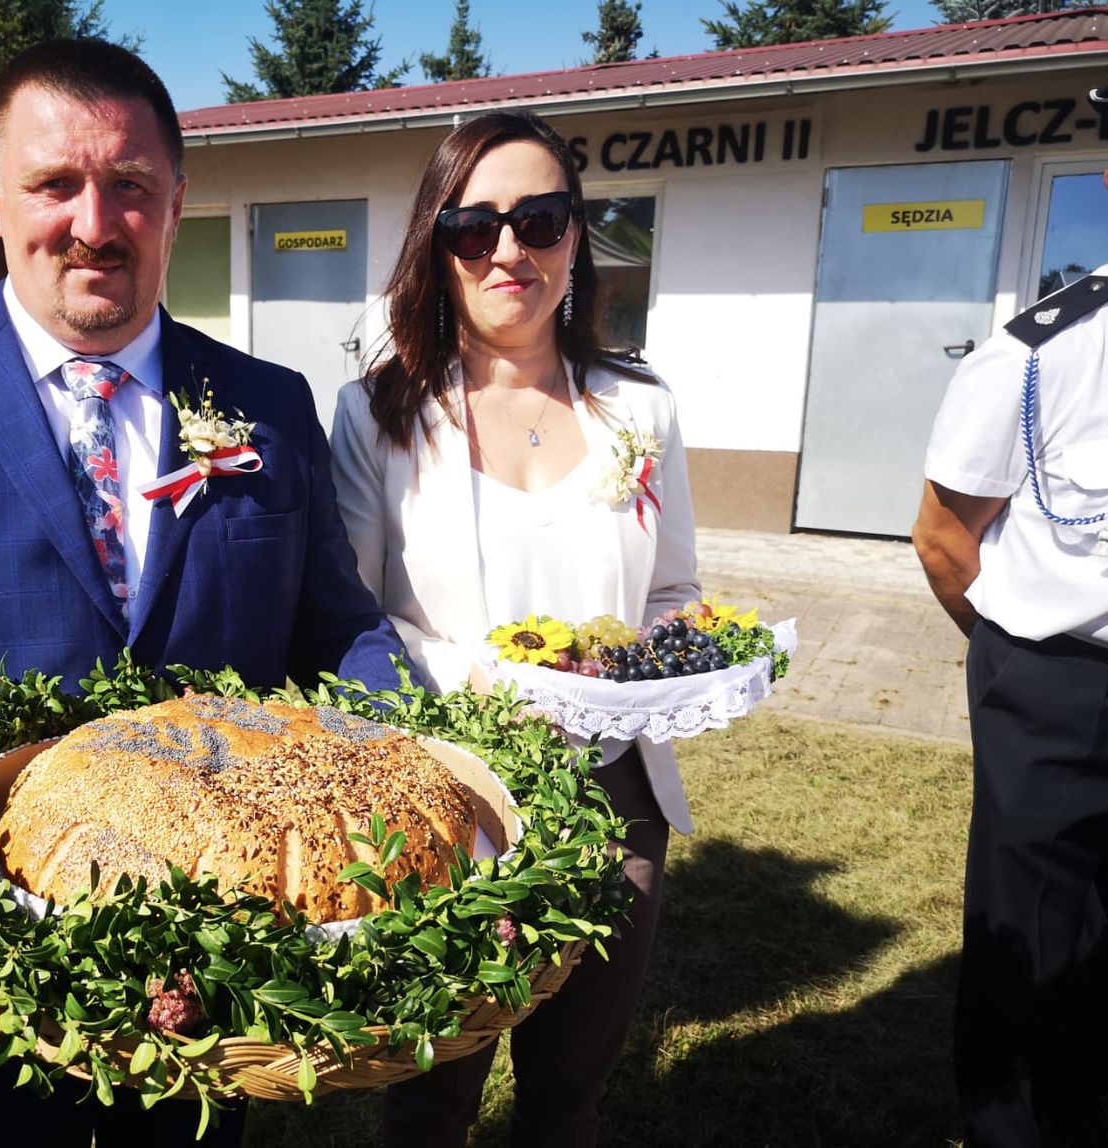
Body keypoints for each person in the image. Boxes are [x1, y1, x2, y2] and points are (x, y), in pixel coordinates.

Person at [0, 37, 409, 1147]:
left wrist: (412, 748)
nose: (95, 223)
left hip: (217, 962)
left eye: (130, 184)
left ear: (176, 202)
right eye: (55, 183)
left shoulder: (269, 404)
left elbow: (336, 629)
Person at [330, 110, 701, 1147]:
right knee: (431, 1090)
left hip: (615, 796)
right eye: (474, 226)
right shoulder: (378, 415)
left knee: (569, 1092)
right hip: (449, 796)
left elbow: (673, 592)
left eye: (539, 219)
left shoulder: (642, 410)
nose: (508, 250)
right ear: (437, 244)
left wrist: (665, 660)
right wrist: (497, 681)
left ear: (574, 235)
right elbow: (348, 616)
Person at [912, 90, 1108, 1147]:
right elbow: (946, 538)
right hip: (1056, 684)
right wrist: (1019, 658)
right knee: (1027, 948)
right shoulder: (1042, 353)